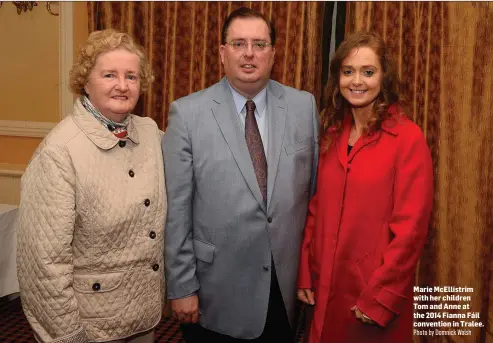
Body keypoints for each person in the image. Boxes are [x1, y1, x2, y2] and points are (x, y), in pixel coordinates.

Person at [163, 6, 319, 343]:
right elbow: (176, 211)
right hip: (214, 292)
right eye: (238, 44)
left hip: (283, 287)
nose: (249, 53)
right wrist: (181, 286)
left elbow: (314, 198)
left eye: (260, 45)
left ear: (273, 53)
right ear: (222, 53)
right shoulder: (187, 114)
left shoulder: (303, 107)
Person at [16, 29, 167, 343]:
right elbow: (44, 264)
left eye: (132, 76)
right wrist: (69, 336)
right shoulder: (59, 152)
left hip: (145, 317)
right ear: (85, 81)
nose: (122, 86)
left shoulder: (151, 133)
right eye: (109, 74)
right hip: (89, 328)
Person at [297, 31, 434, 343]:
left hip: (370, 301)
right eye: (348, 72)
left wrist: (380, 298)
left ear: (384, 77)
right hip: (323, 290)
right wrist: (305, 271)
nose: (356, 81)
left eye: (368, 72)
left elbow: (411, 232)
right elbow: (315, 210)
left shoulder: (408, 139)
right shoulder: (332, 133)